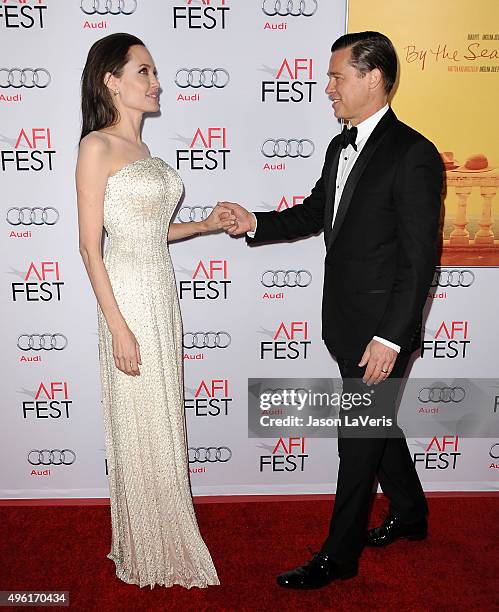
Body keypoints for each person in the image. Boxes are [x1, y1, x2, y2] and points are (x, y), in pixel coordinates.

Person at [219, 31, 443, 589]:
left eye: (337, 76)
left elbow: (418, 261)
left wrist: (391, 338)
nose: (327, 88)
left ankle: (338, 556)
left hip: (379, 334)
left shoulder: (413, 154)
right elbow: (316, 212)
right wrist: (256, 223)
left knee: (357, 441)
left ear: (374, 78)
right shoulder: (338, 146)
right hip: (343, 323)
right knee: (375, 427)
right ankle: (412, 513)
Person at [76, 33, 234, 589]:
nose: (156, 82)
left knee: (163, 416)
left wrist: (208, 224)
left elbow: (150, 233)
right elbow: (91, 247)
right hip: (126, 297)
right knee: (139, 415)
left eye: (154, 72)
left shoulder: (145, 154)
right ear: (110, 82)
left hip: (159, 294)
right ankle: (148, 543)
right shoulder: (96, 147)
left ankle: (163, 526)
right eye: (144, 72)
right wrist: (118, 327)